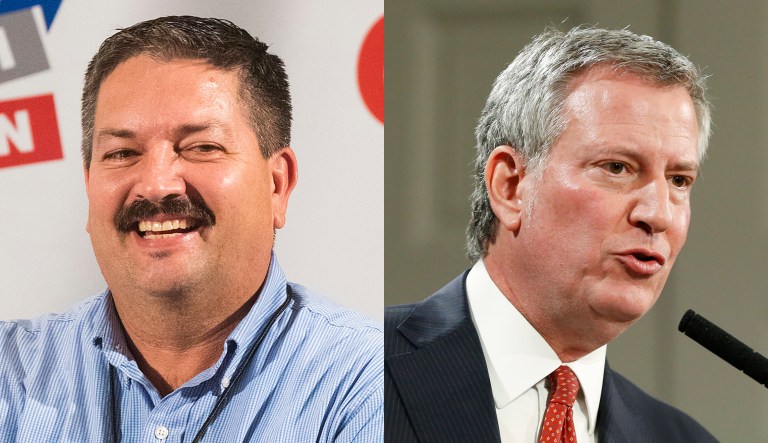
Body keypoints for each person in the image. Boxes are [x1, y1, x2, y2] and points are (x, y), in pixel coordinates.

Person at [0, 16, 382, 442]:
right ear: (89, 183)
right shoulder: (8, 371)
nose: (156, 185)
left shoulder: (371, 387)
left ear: (277, 184)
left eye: (202, 147)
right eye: (123, 152)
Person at [384, 26, 718, 442]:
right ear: (511, 186)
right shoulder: (357, 370)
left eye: (679, 180)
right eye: (617, 168)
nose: (658, 214)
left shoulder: (683, 439)